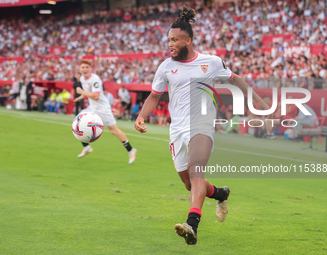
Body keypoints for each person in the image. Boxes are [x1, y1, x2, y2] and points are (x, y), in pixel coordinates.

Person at [134, 6, 270, 246]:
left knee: (197, 171)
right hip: (177, 128)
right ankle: (219, 193)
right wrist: (141, 115)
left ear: (188, 40)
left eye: (175, 40)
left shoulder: (211, 62)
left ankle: (191, 225)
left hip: (202, 124)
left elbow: (236, 79)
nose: (170, 44)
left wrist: (258, 102)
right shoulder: (166, 66)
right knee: (189, 183)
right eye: (169, 40)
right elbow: (155, 96)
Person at [74, 59, 137, 164]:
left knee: (114, 131)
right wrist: (81, 96)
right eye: (83, 67)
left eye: (87, 67)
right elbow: (88, 92)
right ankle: (87, 147)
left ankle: (131, 150)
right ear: (80, 69)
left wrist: (81, 91)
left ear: (91, 69)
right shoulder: (82, 78)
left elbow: (96, 96)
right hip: (93, 108)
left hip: (103, 108)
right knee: (78, 123)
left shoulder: (95, 79)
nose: (85, 69)